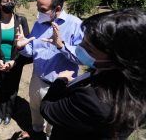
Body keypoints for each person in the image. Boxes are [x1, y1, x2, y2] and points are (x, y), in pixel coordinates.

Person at [40, 8, 146, 140]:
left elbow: (48, 109)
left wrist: (60, 81)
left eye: (89, 48)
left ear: (118, 59)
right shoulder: (127, 80)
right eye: (82, 41)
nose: (79, 47)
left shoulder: (93, 101)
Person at [15, 0, 83, 138]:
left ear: (57, 9)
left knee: (54, 119)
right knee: (35, 108)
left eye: (42, 9)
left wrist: (61, 45)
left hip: (60, 85)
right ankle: (37, 130)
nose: (39, 11)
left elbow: (82, 58)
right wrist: (21, 46)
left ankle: (49, 135)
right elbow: (32, 49)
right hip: (37, 80)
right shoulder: (39, 23)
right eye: (37, 8)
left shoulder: (76, 25)